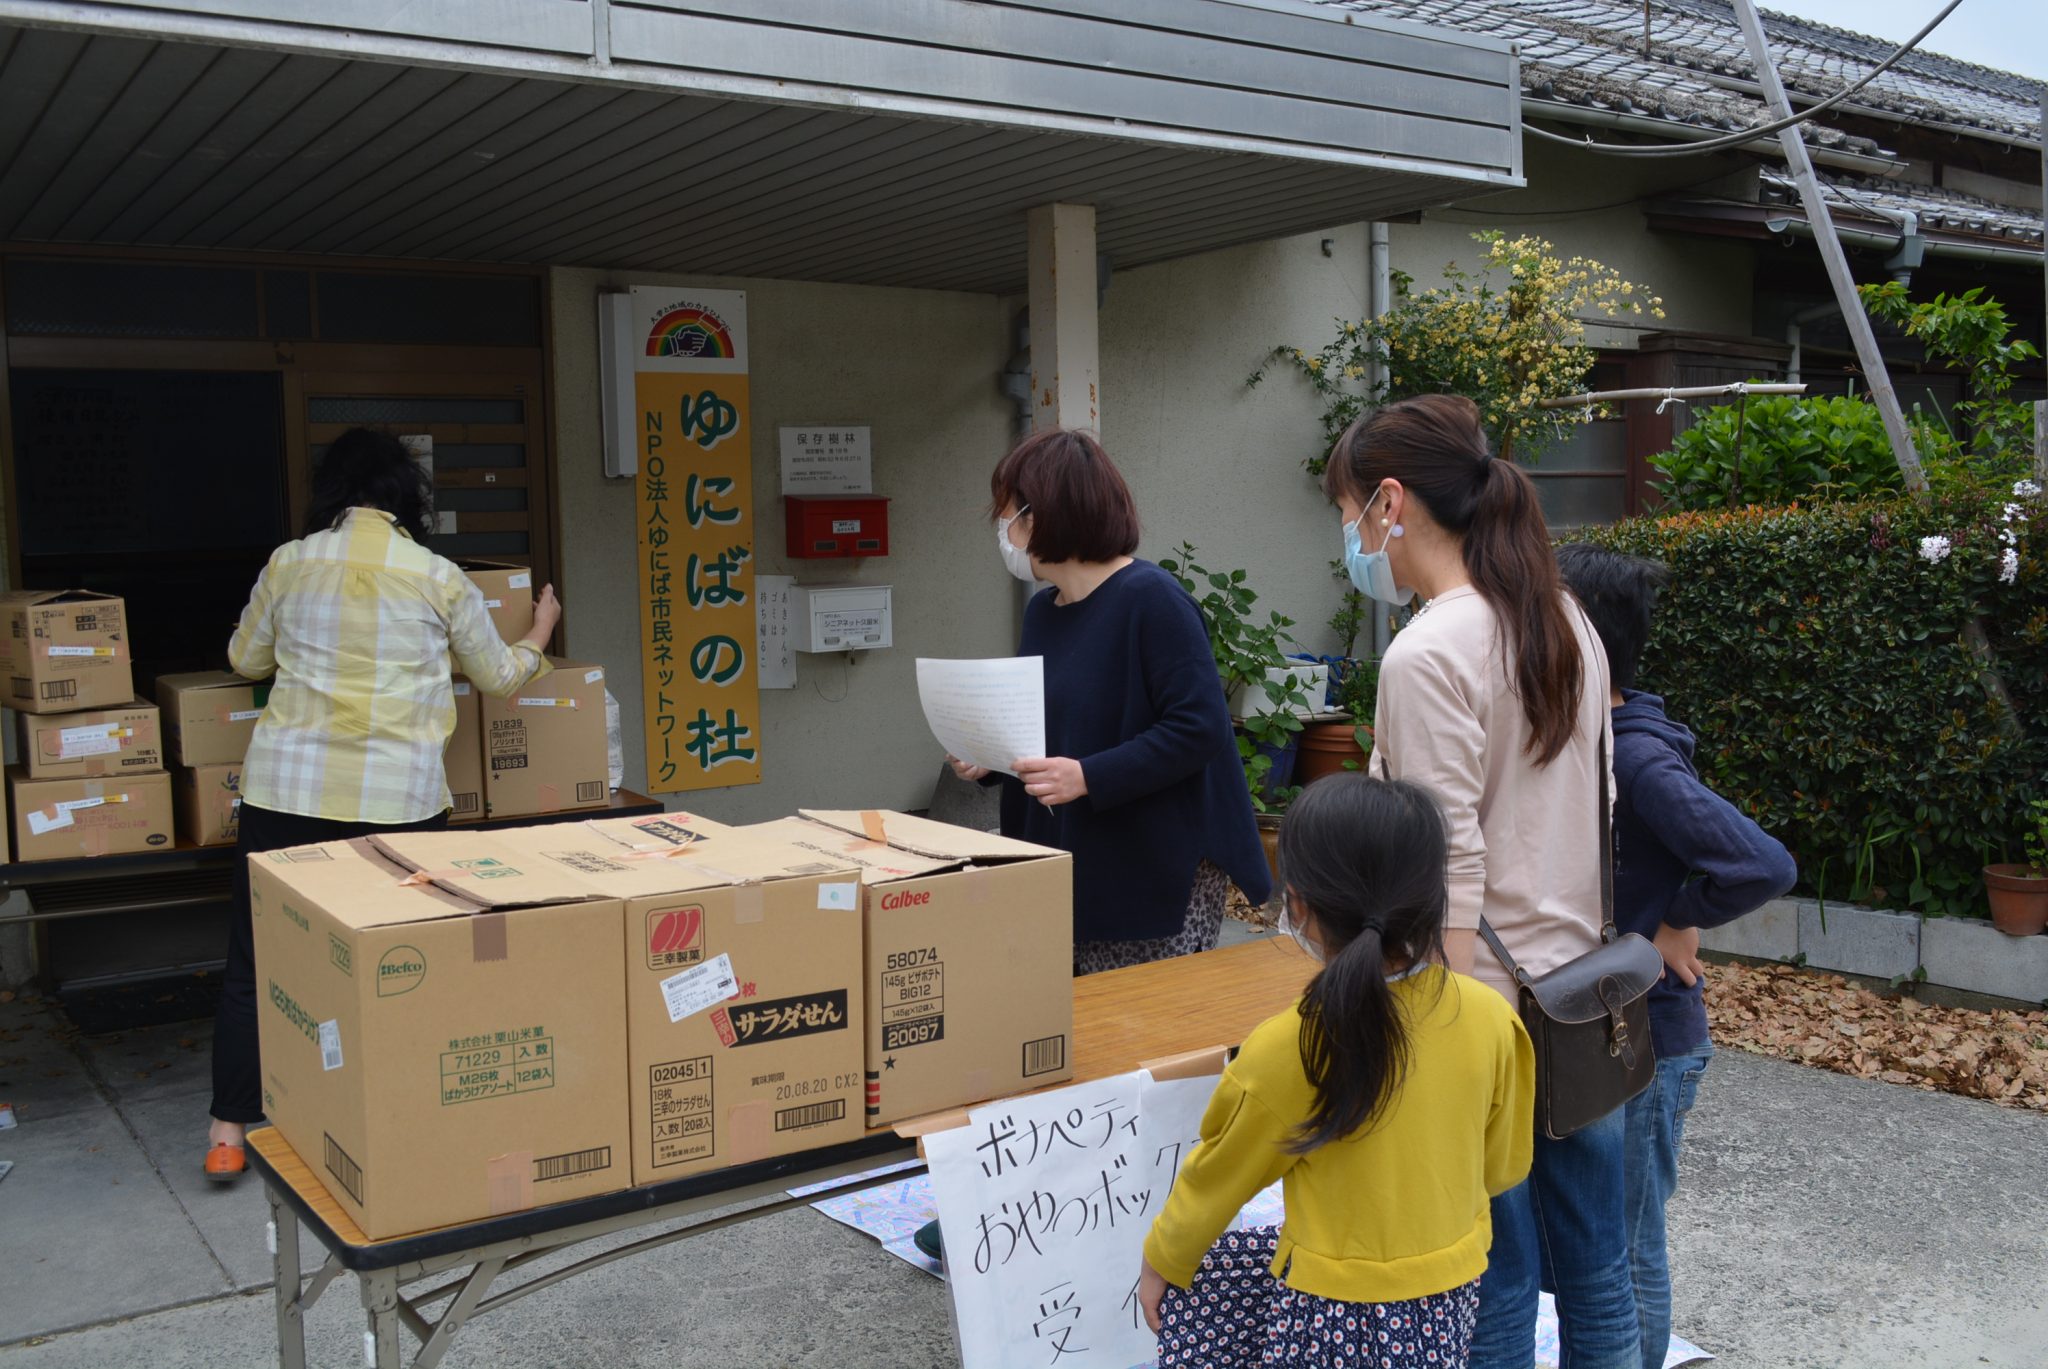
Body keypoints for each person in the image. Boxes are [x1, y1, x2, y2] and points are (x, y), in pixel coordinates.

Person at [1322, 394, 1635, 1368]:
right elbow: (1602, 797)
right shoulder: (1563, 619)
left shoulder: (1426, 651)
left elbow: (1438, 862)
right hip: (1583, 996)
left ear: (1388, 501)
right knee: (1596, 1271)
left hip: (1483, 1004)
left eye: (1343, 512)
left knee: (1490, 1277)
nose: (1347, 536)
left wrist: (1431, 1028)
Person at [204, 427, 561, 1183]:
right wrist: (539, 631)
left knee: (255, 959)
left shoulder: (290, 563)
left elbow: (244, 659)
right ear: (406, 496)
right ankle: (396, 1134)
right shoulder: (437, 576)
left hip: (286, 796)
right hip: (396, 806)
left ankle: (229, 1130)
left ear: (331, 491)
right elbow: (497, 677)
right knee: (400, 964)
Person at [1138, 773, 1534, 1368]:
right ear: (1431, 900)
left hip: (1329, 1313)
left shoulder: (1289, 1045)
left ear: (1298, 904)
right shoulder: (1490, 1018)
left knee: (1210, 1292)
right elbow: (1503, 1167)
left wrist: (1163, 1261)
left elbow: (1217, 1177)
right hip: (1448, 1296)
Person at [1555, 544, 1796, 1369]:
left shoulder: (1636, 755)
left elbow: (1763, 863)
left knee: (1625, 1245)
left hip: (1650, 1038)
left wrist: (1669, 923)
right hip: (1617, 1030)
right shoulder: (1594, 738)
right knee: (1613, 1237)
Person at [949, 426, 1271, 972]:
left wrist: (1089, 778)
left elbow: (1199, 728)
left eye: (1007, 515)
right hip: (1065, 858)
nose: (1002, 531)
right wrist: (993, 759)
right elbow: (1057, 727)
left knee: (1142, 1036)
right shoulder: (1044, 611)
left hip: (1150, 865)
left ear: (1042, 515)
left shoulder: (1153, 599)